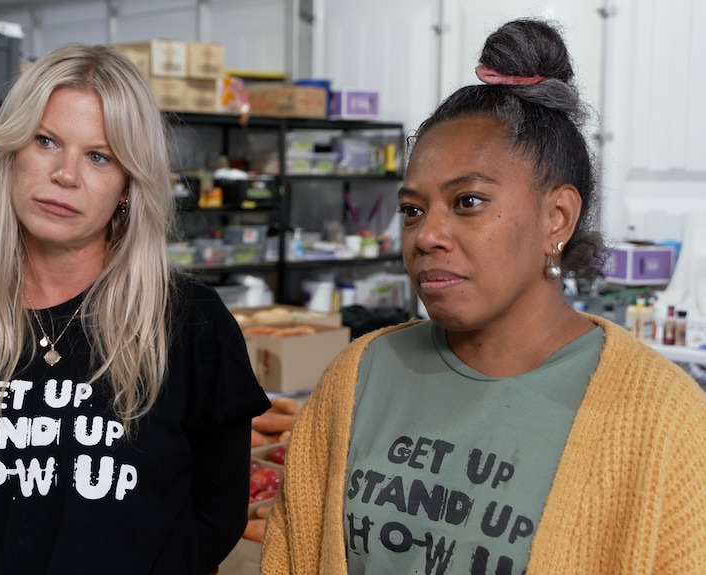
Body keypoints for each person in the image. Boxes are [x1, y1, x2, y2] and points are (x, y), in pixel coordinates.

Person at [261, 18, 706, 574]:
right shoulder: (355, 379)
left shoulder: (664, 420)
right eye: (412, 210)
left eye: (468, 202)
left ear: (557, 217)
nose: (426, 236)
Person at [0, 43, 270, 574]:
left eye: (99, 156)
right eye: (46, 141)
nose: (65, 175)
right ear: (11, 152)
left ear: (126, 185)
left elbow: (219, 511)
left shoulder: (190, 322)